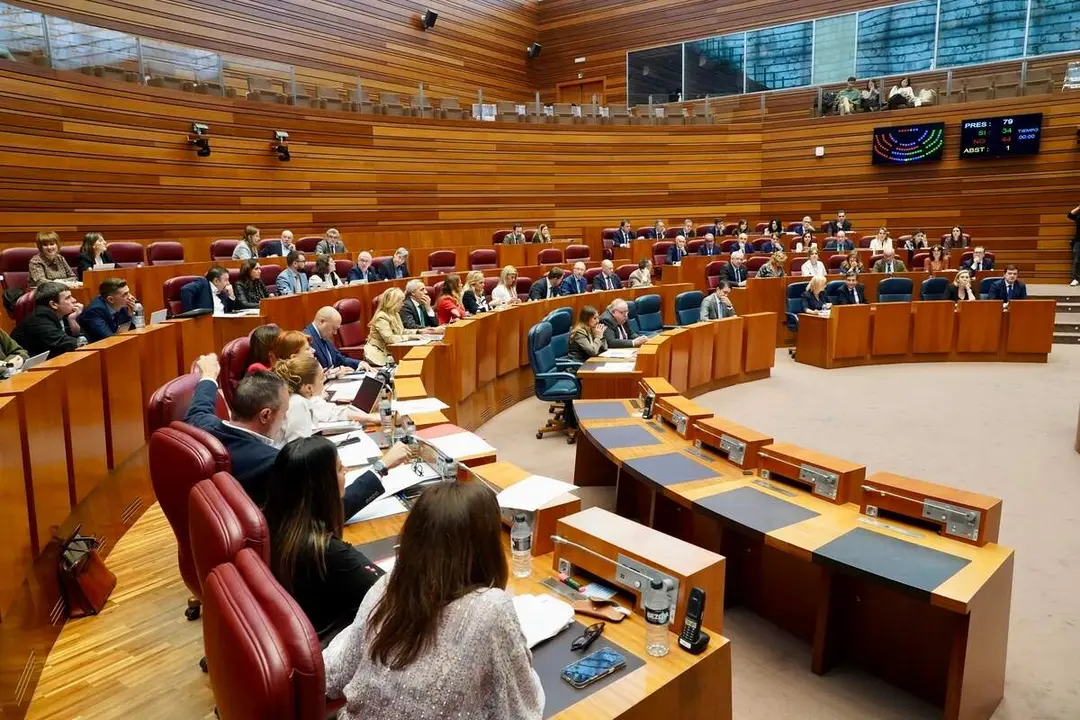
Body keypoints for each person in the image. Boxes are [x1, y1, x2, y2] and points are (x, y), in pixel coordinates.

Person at [323, 481, 544, 720]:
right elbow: (524, 710)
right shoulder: (491, 608)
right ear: (486, 546)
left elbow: (333, 675)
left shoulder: (388, 586)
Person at [263, 436, 411, 643]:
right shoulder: (327, 552)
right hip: (342, 641)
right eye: (340, 469)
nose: (346, 472)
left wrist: (381, 468)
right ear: (324, 486)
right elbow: (394, 597)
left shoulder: (275, 520)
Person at [183, 354, 287, 504]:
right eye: (284, 413)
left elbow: (199, 407)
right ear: (265, 415)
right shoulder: (273, 462)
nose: (285, 420)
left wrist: (209, 376)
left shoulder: (200, 424)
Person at [273, 355, 377, 443]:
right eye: (321, 377)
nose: (324, 380)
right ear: (309, 388)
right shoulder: (296, 404)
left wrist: (370, 418)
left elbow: (332, 413)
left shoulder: (303, 399)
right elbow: (299, 447)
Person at [11, 281, 83, 358]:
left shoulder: (63, 314)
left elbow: (73, 337)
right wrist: (84, 342)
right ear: (53, 304)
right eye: (68, 298)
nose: (74, 300)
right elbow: (62, 342)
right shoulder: (39, 318)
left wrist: (72, 320)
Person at [365, 288, 422, 366]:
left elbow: (401, 331)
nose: (403, 304)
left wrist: (418, 332)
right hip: (378, 354)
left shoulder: (395, 314)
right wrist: (409, 337)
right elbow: (390, 339)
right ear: (393, 302)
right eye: (401, 302)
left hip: (391, 353)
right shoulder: (381, 317)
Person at [305, 306, 361, 372]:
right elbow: (312, 374)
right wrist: (335, 371)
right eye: (334, 328)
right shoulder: (307, 340)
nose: (335, 333)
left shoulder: (324, 335)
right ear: (322, 322)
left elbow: (338, 359)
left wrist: (359, 363)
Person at [79, 278, 136, 343]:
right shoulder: (94, 311)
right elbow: (109, 339)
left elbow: (129, 332)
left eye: (128, 292)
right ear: (111, 299)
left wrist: (130, 315)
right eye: (125, 294)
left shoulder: (123, 305)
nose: (131, 297)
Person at [1069, 204, 1080, 286]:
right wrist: (1079, 208)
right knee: (1076, 261)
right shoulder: (1079, 217)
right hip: (1078, 242)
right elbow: (1070, 215)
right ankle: (1075, 279)